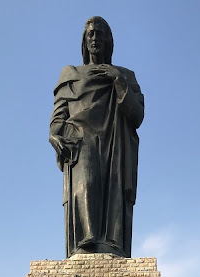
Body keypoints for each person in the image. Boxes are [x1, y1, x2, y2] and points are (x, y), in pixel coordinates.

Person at [49, 16, 144, 259]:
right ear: (84, 40)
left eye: (100, 34)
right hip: (81, 142)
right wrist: (55, 135)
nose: (95, 39)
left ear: (109, 41)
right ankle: (85, 244)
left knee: (112, 191)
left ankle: (112, 244)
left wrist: (118, 80)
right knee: (86, 188)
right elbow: (58, 116)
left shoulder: (126, 75)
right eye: (91, 34)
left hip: (115, 143)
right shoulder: (70, 74)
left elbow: (138, 115)